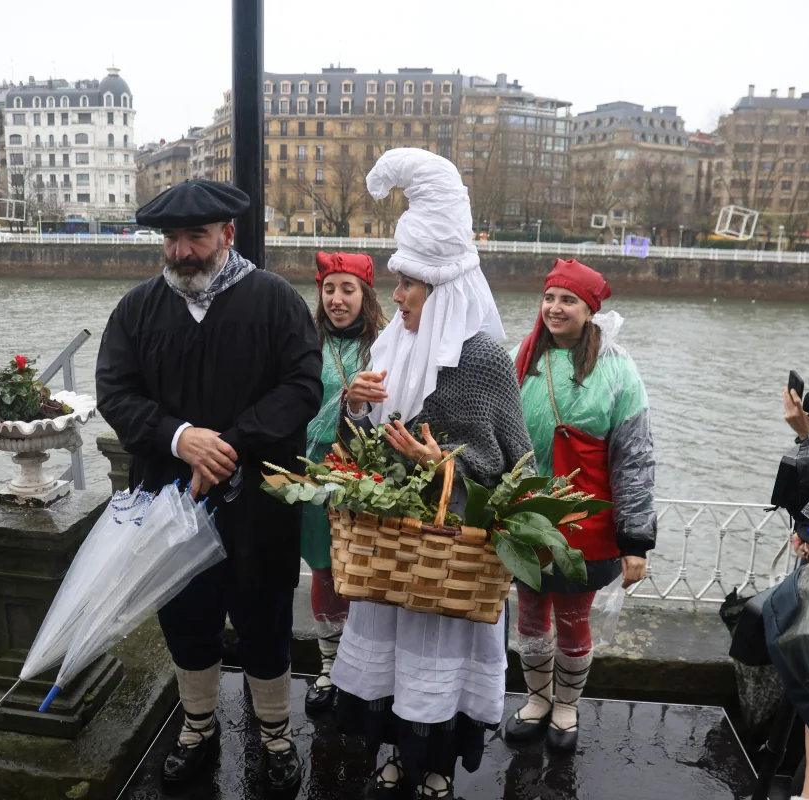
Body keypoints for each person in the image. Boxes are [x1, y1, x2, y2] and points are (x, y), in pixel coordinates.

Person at [95, 179, 322, 792]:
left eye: (196, 237)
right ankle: (198, 724)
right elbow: (114, 392)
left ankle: (274, 731)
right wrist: (179, 438)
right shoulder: (138, 310)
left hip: (259, 499)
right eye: (171, 239)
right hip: (172, 498)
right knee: (184, 614)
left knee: (265, 613)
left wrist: (230, 443)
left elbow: (303, 386)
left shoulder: (275, 302)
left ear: (227, 234)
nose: (182, 252)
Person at [330, 148, 534, 800]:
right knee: (391, 669)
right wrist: (353, 407)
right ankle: (395, 759)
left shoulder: (484, 361)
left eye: (408, 285)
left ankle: (437, 769)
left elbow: (517, 474)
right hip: (394, 555)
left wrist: (442, 464)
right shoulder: (389, 347)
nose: (396, 296)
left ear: (441, 291)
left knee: (438, 676)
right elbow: (359, 449)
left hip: (452, 559)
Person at [505, 259, 657, 751]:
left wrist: (635, 540)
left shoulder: (618, 370)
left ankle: (566, 707)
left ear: (589, 310)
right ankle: (536, 698)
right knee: (529, 614)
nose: (554, 308)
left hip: (587, 521)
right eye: (549, 298)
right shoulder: (518, 361)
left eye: (567, 300)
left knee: (573, 619)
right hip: (526, 517)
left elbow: (634, 458)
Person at [302, 250, 387, 714]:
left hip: (368, 473)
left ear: (365, 294)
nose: (336, 299)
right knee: (323, 569)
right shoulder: (305, 342)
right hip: (314, 470)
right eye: (329, 289)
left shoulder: (387, 343)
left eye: (347, 289)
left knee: (364, 572)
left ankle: (364, 666)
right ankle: (328, 666)